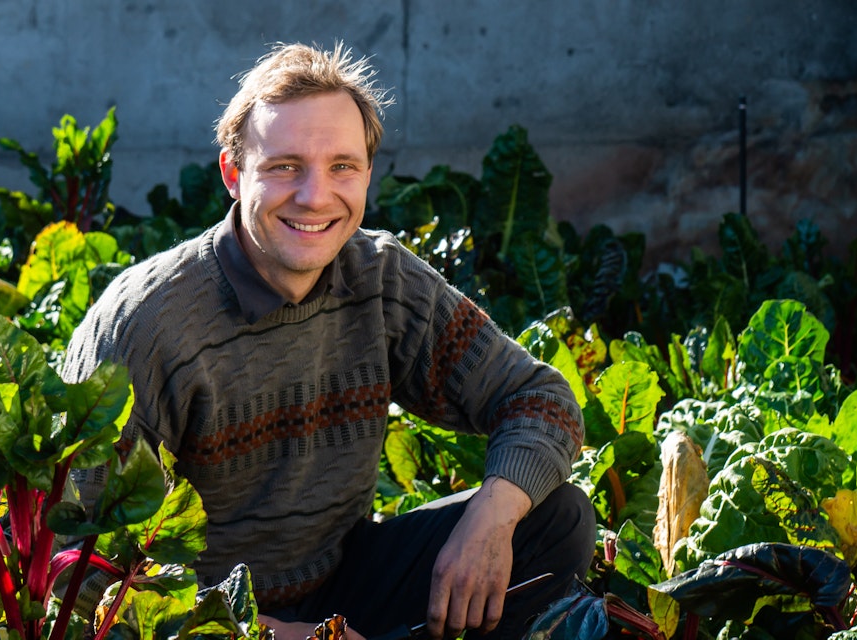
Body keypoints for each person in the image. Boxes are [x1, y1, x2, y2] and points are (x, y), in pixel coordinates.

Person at [62, 41, 594, 640]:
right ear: (233, 174)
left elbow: (540, 400)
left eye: (342, 166)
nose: (316, 196)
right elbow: (77, 570)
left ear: (367, 173)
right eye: (285, 165)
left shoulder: (382, 281)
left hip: (341, 586)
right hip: (201, 618)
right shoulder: (148, 323)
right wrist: (269, 634)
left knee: (556, 517)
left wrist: (491, 522)